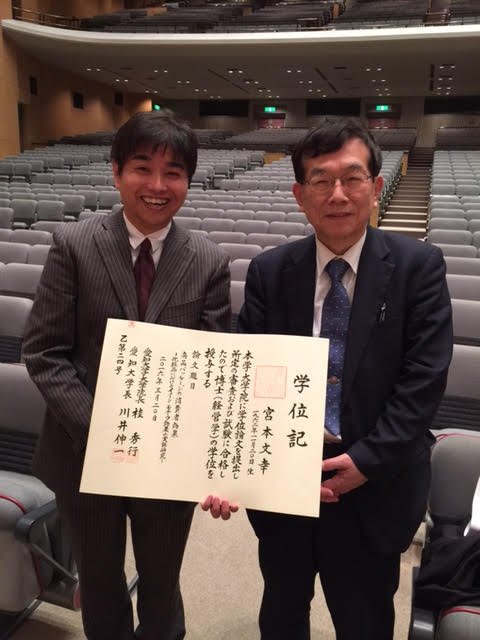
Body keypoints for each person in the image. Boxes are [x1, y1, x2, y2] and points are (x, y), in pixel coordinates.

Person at [234, 118, 453, 639]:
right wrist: (229, 470)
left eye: (352, 178)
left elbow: (423, 380)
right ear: (299, 195)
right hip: (284, 483)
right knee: (281, 613)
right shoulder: (269, 271)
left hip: (373, 488)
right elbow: (246, 376)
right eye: (320, 180)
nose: (337, 194)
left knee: (365, 621)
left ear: (376, 187)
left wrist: (366, 462)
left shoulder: (418, 267)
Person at [22, 110, 231, 640]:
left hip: (167, 461)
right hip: (83, 451)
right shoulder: (74, 244)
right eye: (143, 168)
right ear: (116, 172)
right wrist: (105, 431)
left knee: (162, 581)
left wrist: (213, 464)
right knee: (99, 580)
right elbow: (44, 351)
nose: (158, 185)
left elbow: (211, 370)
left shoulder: (208, 261)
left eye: (173, 172)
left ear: (188, 181)